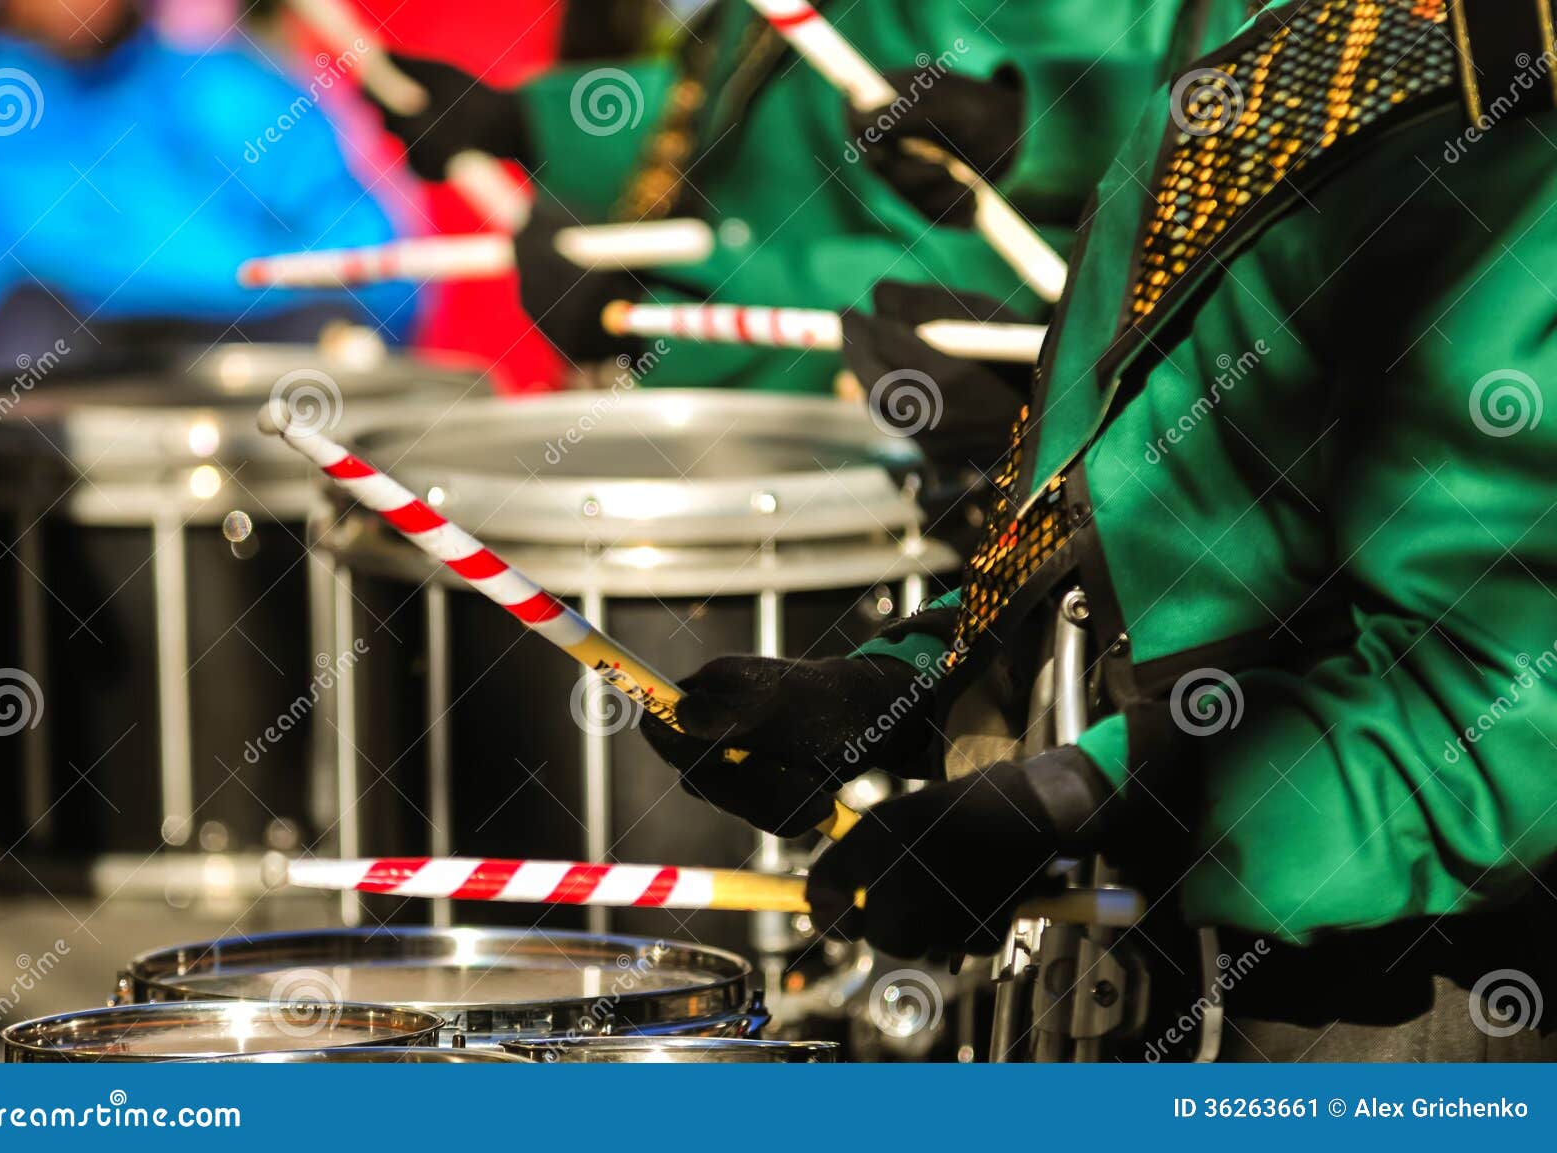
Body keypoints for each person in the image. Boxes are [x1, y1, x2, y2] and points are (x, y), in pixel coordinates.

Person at [645, 0, 1557, 1060]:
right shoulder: (1293, 27)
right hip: (1148, 929)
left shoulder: (1511, 114)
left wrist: (1081, 797)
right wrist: (920, 677)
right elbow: (1150, 467)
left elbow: (1508, 713)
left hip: (1390, 996)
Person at [374, 0, 1232, 391]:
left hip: (891, 465)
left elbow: (1000, 273)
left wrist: (661, 308)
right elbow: (744, 106)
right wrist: (530, 123)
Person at [0, 0, 413, 382]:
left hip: (244, 348)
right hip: (60, 363)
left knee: (331, 340)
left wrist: (223, 278)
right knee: (26, 332)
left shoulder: (224, 88)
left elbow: (372, 259)